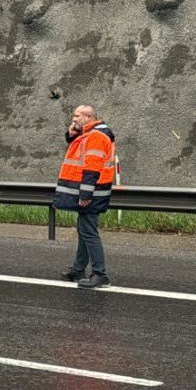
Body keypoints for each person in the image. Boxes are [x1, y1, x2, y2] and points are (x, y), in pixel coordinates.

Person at [54, 105, 117, 288]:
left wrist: (85, 194)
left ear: (88, 118)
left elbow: (91, 168)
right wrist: (72, 132)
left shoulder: (96, 137)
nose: (73, 119)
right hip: (93, 192)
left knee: (89, 232)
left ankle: (100, 274)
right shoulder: (91, 134)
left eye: (77, 116)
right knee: (84, 230)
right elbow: (76, 146)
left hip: (91, 193)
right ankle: (78, 270)